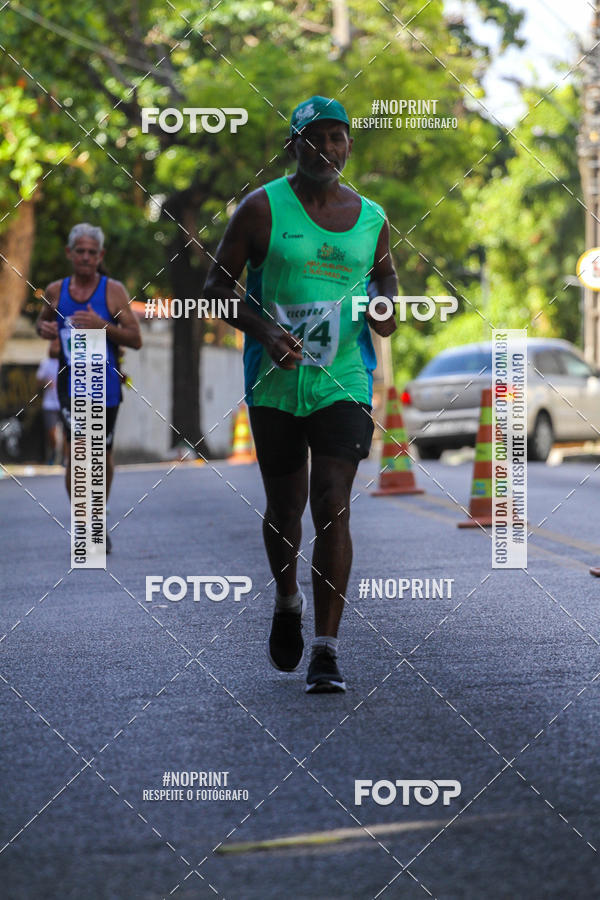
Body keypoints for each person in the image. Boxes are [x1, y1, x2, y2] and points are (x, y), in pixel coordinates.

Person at [204, 96, 397, 693]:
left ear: (348, 147)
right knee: (286, 508)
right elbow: (215, 287)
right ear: (294, 147)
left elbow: (385, 274)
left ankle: (327, 650)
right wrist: (264, 330)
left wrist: (387, 305)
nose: (328, 149)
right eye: (315, 139)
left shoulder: (371, 217)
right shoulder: (260, 210)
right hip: (274, 381)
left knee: (332, 501)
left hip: (346, 379)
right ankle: (288, 600)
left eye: (338, 138)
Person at [36, 223, 142, 552]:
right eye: (79, 251)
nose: (85, 257)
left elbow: (136, 339)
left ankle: (99, 513)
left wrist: (102, 326)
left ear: (100, 256)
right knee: (78, 453)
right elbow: (43, 325)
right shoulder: (56, 290)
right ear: (69, 254)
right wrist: (45, 329)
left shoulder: (113, 291)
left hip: (106, 383)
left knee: (102, 454)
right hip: (72, 384)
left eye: (91, 252)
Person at [36, 339, 63, 465]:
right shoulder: (46, 363)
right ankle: (54, 451)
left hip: (64, 403)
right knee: (51, 432)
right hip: (50, 404)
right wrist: (47, 383)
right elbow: (38, 381)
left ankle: (65, 458)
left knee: (66, 433)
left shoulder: (67, 362)